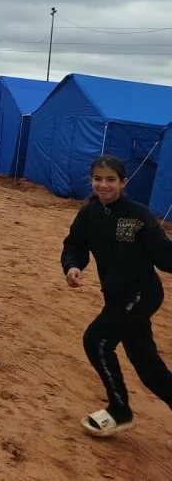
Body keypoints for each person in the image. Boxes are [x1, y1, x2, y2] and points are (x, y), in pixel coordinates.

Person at [61, 155, 172, 437]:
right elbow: (74, 244)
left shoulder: (136, 214)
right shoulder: (89, 212)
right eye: (98, 179)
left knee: (96, 340)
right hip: (116, 295)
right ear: (92, 181)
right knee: (147, 366)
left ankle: (120, 410)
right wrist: (72, 265)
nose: (103, 185)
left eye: (110, 179)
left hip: (141, 293)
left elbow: (164, 256)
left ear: (123, 182)